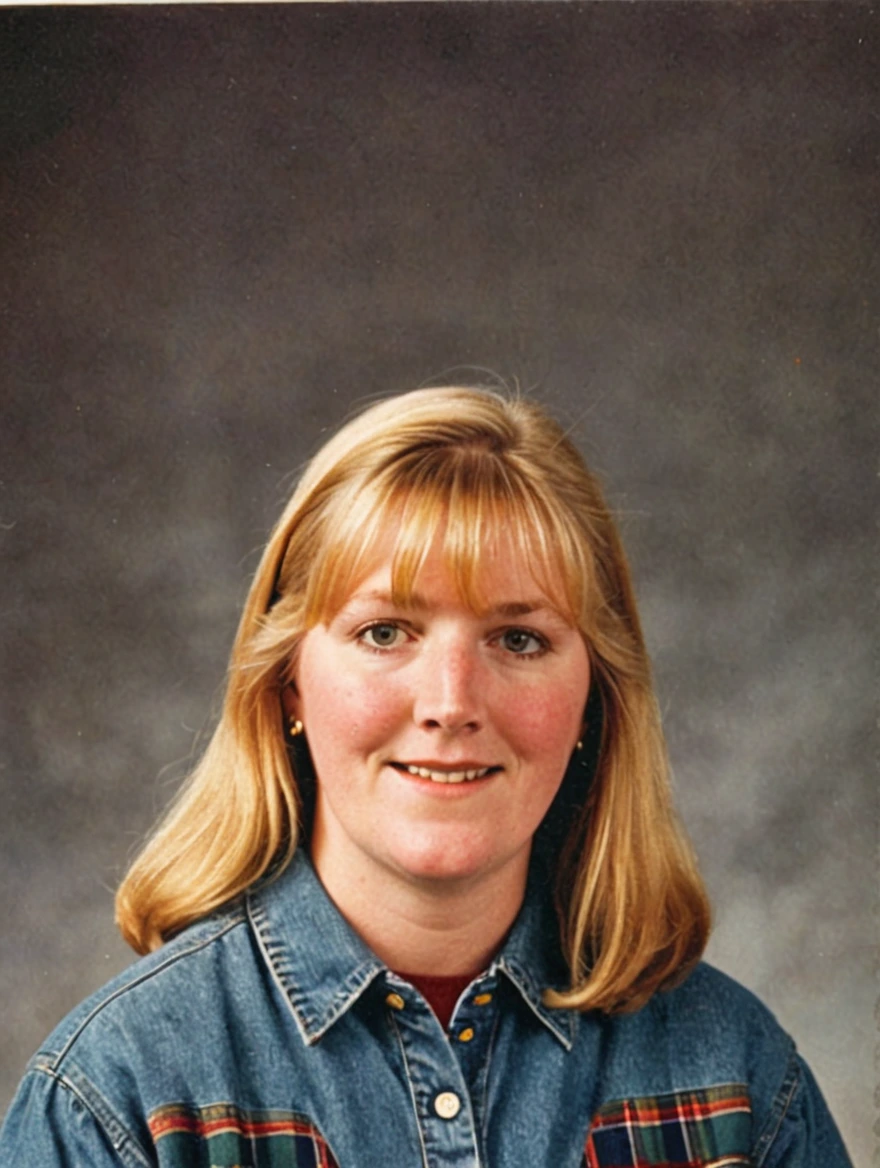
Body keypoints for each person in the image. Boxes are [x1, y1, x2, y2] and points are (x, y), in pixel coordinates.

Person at [0, 386, 851, 1167]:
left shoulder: (738, 1081)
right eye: (385, 633)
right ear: (288, 679)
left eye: (518, 640)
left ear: (595, 697)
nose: (451, 703)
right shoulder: (117, 1101)